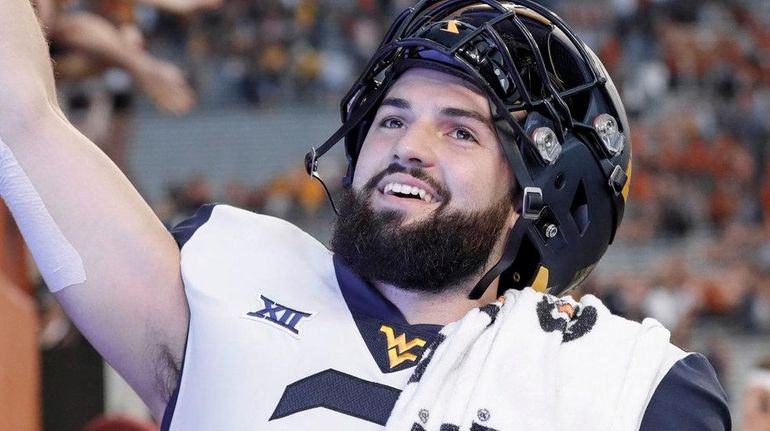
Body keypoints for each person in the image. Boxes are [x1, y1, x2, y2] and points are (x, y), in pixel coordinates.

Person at [0, 0, 730, 430]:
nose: (407, 146)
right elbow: (19, 120)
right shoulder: (227, 271)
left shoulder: (624, 383)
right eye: (391, 119)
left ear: (530, 201)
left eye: (460, 129)